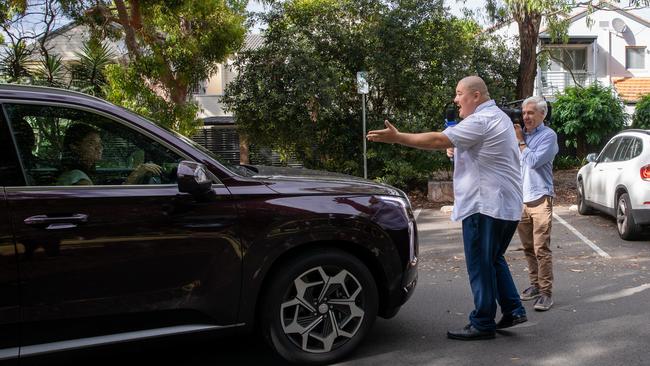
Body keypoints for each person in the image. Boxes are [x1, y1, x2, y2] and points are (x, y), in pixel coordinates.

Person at [367, 76, 526, 340]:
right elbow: (478, 151)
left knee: (480, 264)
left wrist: (397, 137)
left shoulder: (481, 120)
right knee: (493, 259)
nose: (455, 99)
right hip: (504, 205)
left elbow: (437, 140)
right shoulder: (499, 117)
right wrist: (457, 149)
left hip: (484, 205)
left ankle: (483, 322)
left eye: (459, 93)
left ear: (476, 95)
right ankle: (513, 309)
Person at [514, 96, 559, 311]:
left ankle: (546, 293)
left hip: (540, 198)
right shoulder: (519, 136)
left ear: (543, 114)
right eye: (524, 113)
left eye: (531, 113)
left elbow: (532, 162)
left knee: (542, 248)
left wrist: (521, 141)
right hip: (521, 199)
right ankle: (534, 285)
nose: (526, 117)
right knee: (528, 248)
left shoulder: (548, 136)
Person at [57, 123, 161, 185]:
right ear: (74, 147)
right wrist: (137, 173)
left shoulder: (77, 173)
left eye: (100, 144)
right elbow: (104, 207)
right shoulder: (78, 178)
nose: (99, 148)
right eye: (91, 143)